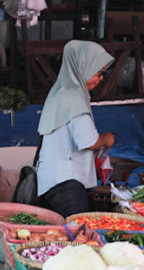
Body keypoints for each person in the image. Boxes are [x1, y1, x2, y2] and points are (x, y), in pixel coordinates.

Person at [33, 41, 115, 216]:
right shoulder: (74, 97)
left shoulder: (60, 92)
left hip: (52, 181)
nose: (101, 79)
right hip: (67, 184)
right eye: (99, 73)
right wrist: (105, 139)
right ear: (83, 67)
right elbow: (89, 141)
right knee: (75, 238)